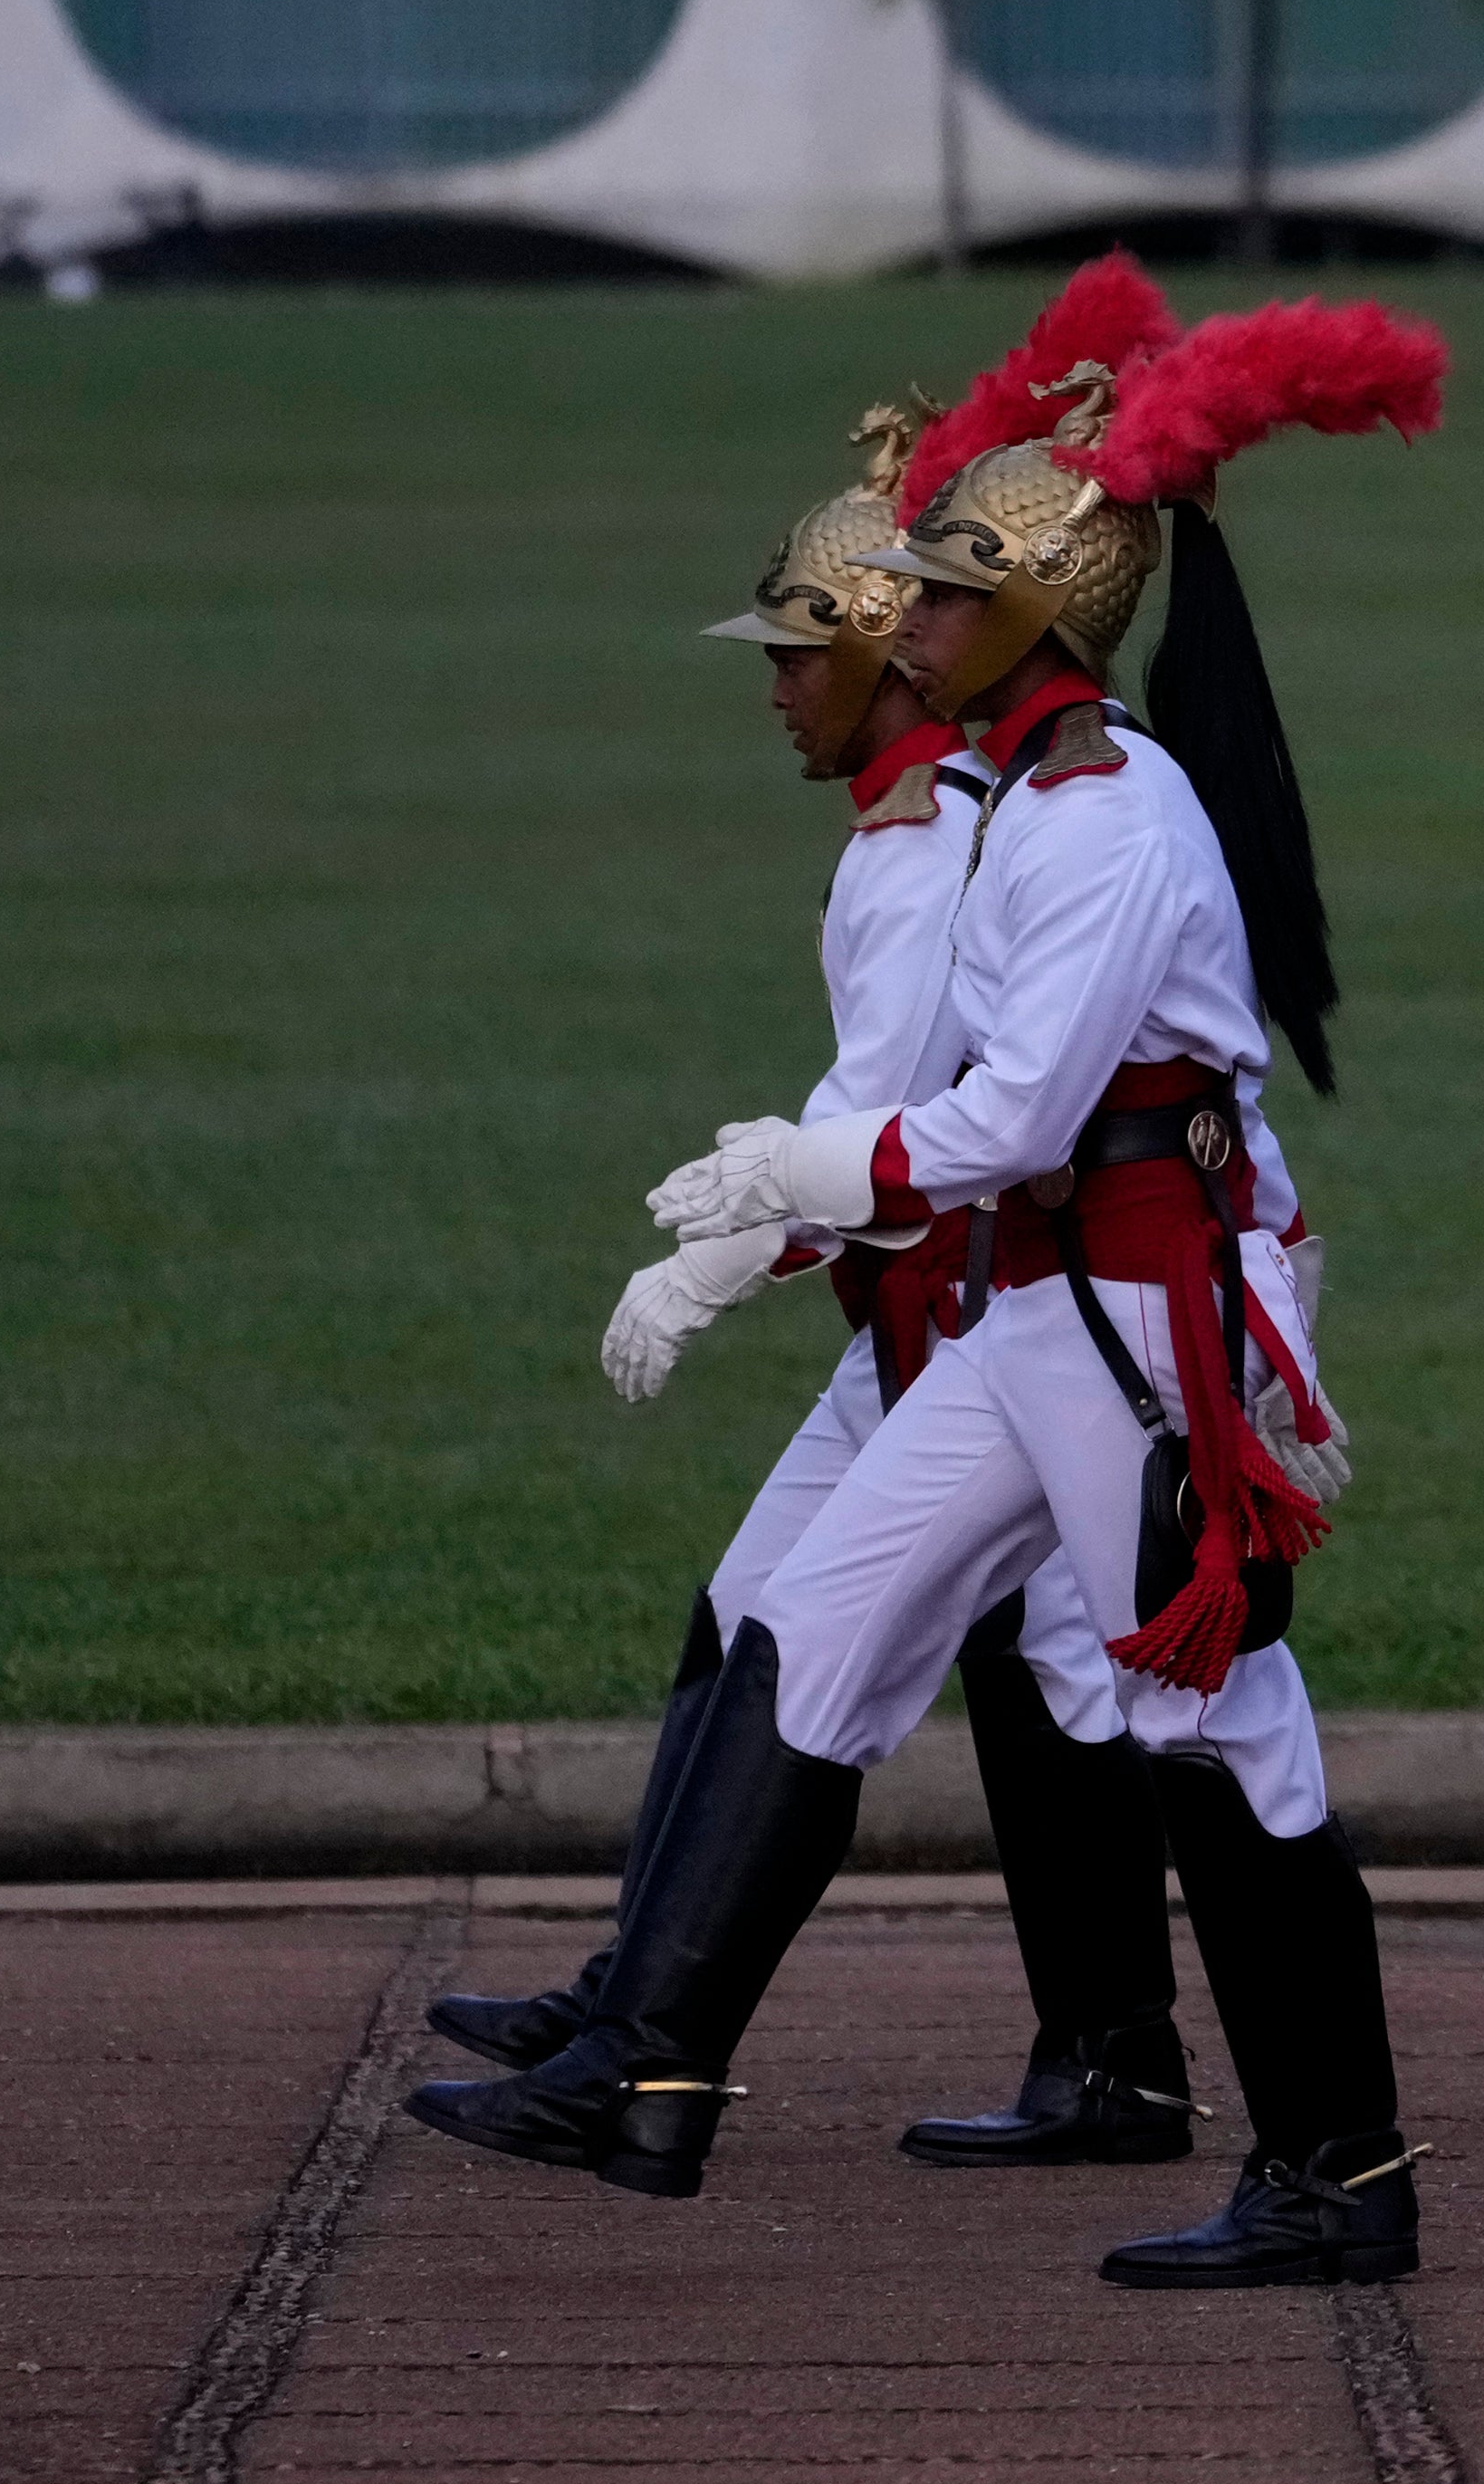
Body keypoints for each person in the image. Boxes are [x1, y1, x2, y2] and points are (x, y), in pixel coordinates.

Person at [409, 285, 1447, 2292]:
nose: (915, 618)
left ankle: (1341, 2171)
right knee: (809, 1623)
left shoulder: (1107, 816)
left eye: (953, 597)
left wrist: (804, 1171)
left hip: (1151, 1322)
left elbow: (1009, 1117)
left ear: (1045, 625)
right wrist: (788, 1191)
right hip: (1053, 1313)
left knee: (1222, 1725)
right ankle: (651, 2078)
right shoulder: (1017, 806)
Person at [425, 349, 1214, 2178]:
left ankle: (673, 2042)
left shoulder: (974, 833)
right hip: (975, 1299)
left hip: (1009, 1305)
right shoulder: (943, 821)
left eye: (811, 644)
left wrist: (728, 1250)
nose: (780, 685)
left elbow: (929, 1120)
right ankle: (658, 2019)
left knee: (1095, 1690)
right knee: (832, 1635)